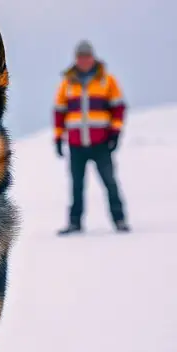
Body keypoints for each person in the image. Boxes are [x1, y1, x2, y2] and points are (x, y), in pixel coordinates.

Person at [54, 40, 130, 235]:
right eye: (80, 57)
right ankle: (74, 223)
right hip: (76, 144)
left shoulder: (107, 80)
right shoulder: (67, 83)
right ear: (76, 59)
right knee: (76, 186)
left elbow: (119, 108)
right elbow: (59, 112)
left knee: (109, 182)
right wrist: (58, 138)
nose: (84, 60)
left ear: (93, 57)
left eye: (87, 56)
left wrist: (115, 132)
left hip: (101, 143)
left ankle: (119, 219)